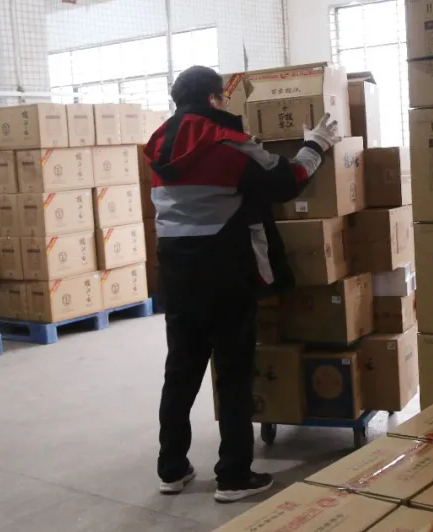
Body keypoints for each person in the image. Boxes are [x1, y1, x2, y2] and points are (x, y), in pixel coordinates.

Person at [143, 65, 340, 503]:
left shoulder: (158, 146)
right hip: (225, 276)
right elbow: (285, 181)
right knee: (233, 377)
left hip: (177, 278)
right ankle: (233, 475)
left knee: (180, 376)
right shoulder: (227, 143)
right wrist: (316, 145)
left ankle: (171, 469)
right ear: (214, 99)